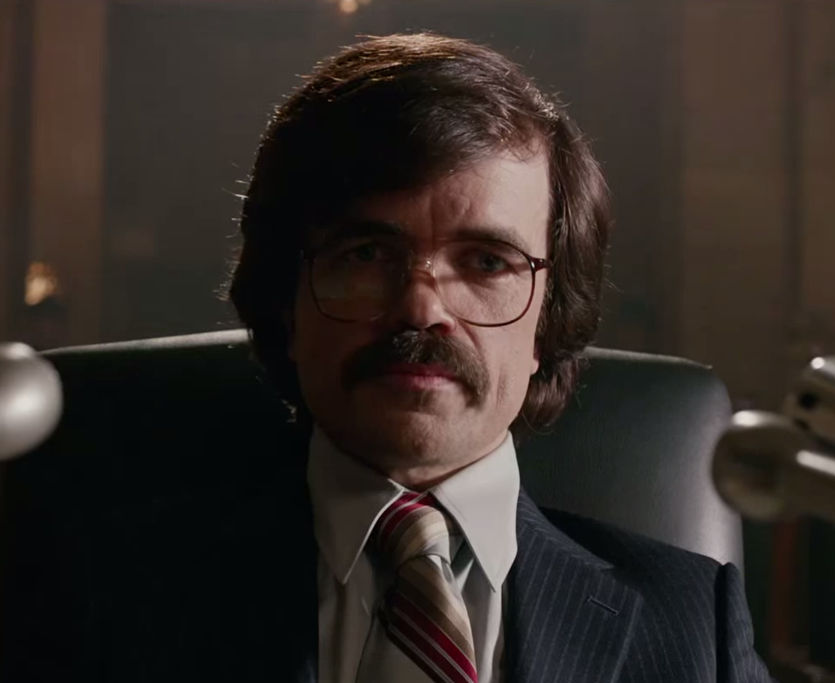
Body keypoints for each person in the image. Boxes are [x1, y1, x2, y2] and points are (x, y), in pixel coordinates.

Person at [226, 32, 772, 683]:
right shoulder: (126, 586)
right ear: (286, 302)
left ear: (548, 319)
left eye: (488, 262)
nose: (422, 308)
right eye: (366, 254)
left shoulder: (693, 627)